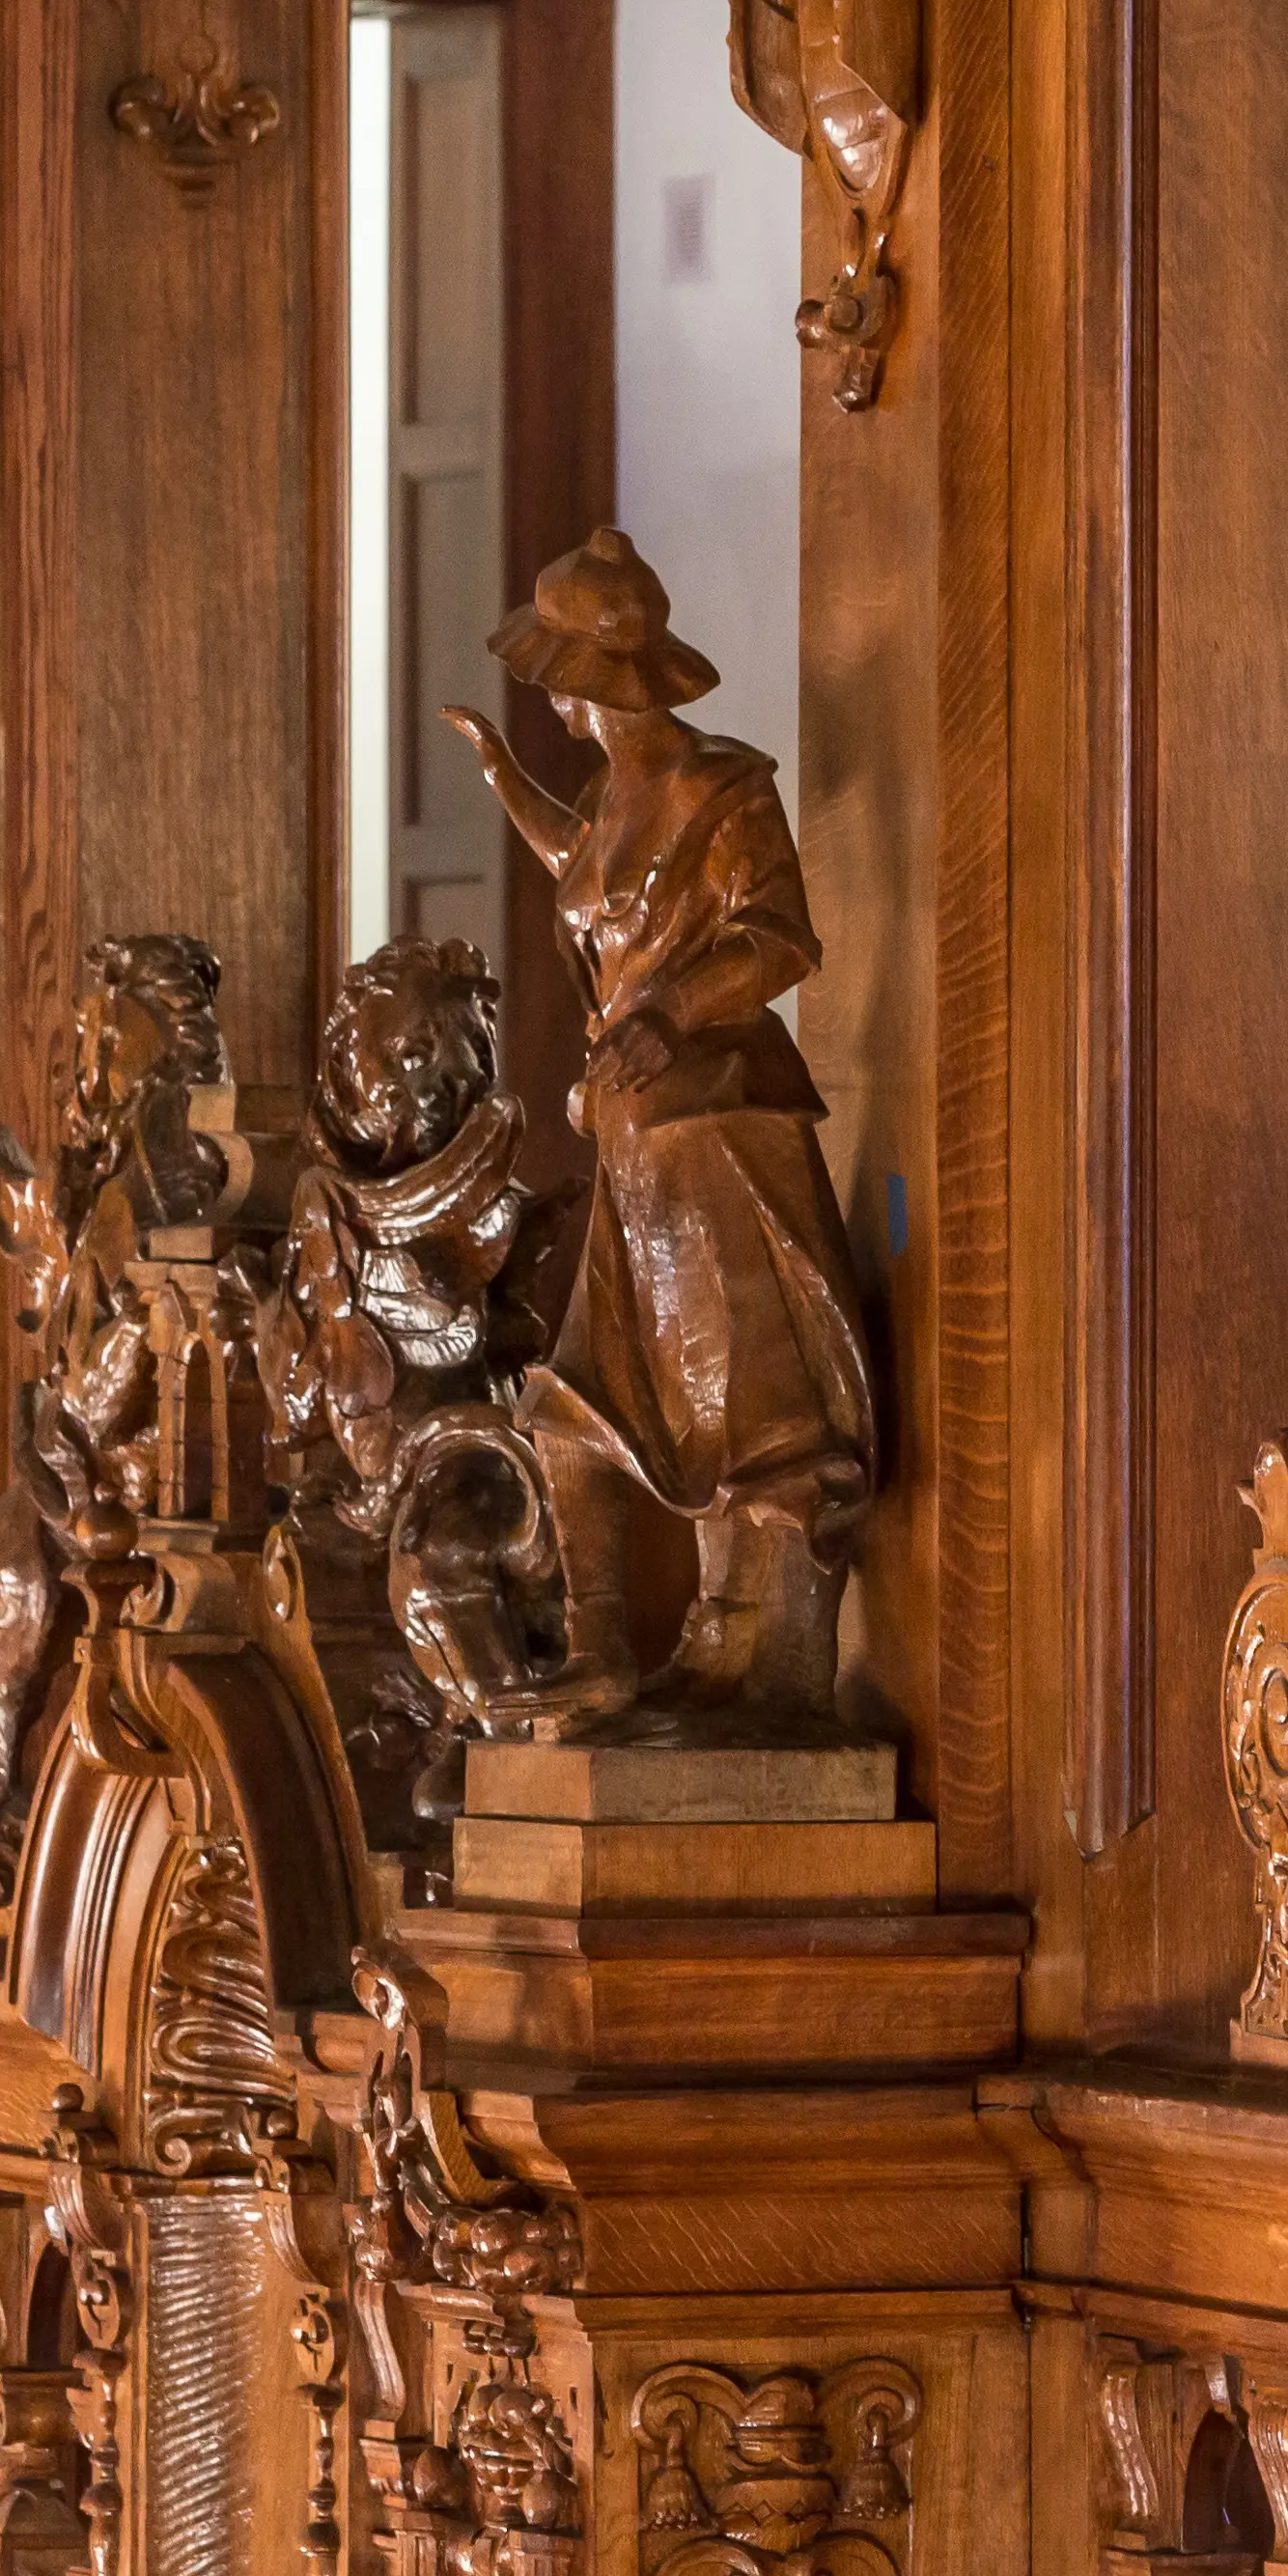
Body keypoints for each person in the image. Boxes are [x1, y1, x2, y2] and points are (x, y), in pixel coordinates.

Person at [444, 532, 879, 1723]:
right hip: (633, 1141)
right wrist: (500, 779)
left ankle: (767, 1650)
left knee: (744, 1399)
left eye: (552, 679)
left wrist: (670, 1012)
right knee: (587, 1401)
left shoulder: (724, 789)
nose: (550, 701)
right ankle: (619, 1651)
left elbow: (780, 939)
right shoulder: (603, 795)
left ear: (585, 683)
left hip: (713, 1125)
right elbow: (590, 875)